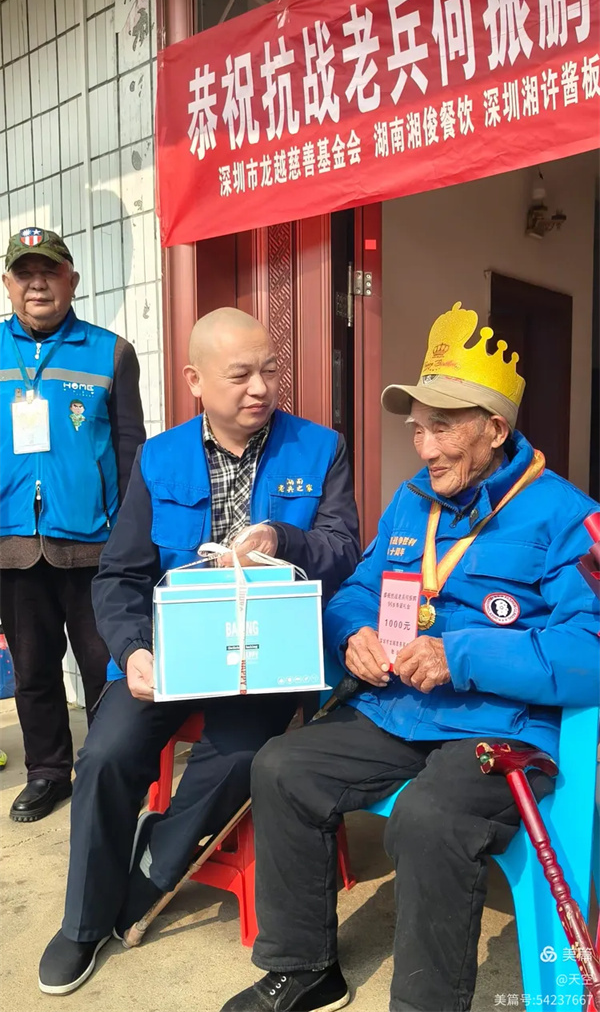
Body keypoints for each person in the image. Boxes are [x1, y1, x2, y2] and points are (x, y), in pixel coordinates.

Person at [222, 302, 600, 1012]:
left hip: (499, 726)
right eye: (419, 427)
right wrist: (351, 635)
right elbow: (357, 592)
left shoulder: (565, 516)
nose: (426, 448)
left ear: (495, 429)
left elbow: (589, 650)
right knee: (281, 767)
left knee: (429, 819)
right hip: (399, 708)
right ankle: (303, 967)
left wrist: (462, 655)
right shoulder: (410, 501)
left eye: (444, 427)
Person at [38, 306, 361, 995]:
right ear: (195, 381)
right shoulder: (160, 458)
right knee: (104, 754)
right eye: (240, 375)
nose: (260, 387)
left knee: (242, 756)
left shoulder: (320, 448)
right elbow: (120, 575)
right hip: (173, 649)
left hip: (264, 657)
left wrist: (282, 538)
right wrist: (133, 651)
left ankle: (154, 868)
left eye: (269, 370)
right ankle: (83, 922)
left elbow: (343, 551)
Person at [0, 227, 145, 824]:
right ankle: (47, 771)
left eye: (50, 271)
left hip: (94, 546)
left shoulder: (111, 353)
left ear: (73, 281)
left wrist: (133, 540)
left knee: (103, 665)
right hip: (12, 543)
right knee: (33, 668)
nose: (37, 284)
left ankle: (111, 768)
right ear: (8, 284)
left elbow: (131, 450)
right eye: (24, 273)